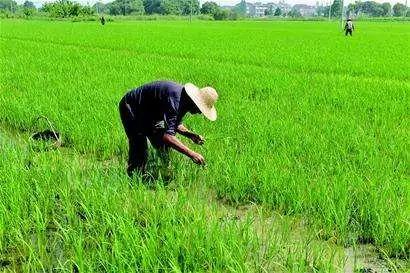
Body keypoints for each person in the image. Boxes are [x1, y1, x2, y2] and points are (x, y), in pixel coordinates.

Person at [119, 80, 218, 177]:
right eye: (200, 109)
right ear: (195, 103)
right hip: (131, 107)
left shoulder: (184, 101)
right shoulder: (175, 100)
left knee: (162, 144)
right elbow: (168, 136)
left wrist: (190, 134)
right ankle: (134, 178)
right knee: (139, 145)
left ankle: (161, 171)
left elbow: (175, 124)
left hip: (151, 115)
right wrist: (191, 154)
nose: (200, 113)